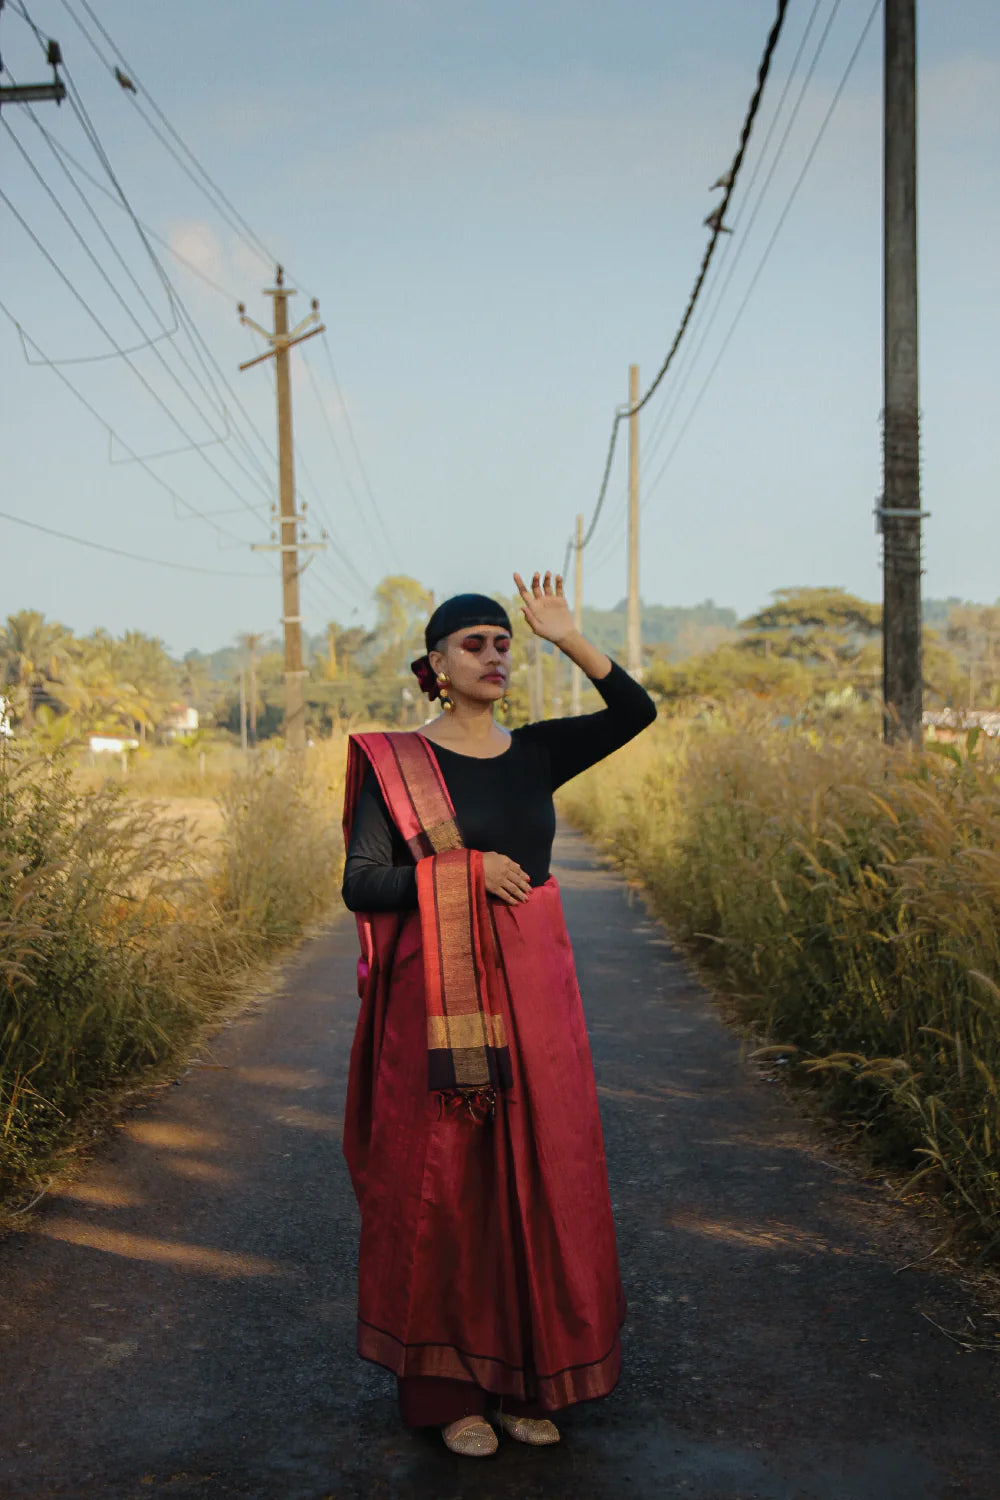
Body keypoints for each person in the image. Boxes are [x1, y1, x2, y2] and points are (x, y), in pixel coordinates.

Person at [341, 570, 656, 1458]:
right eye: (473, 643)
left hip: (536, 990)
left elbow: (635, 713)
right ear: (434, 664)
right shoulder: (396, 763)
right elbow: (361, 881)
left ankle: (526, 1378)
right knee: (447, 1185)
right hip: (439, 1001)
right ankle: (450, 1394)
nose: (494, 654)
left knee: (541, 1176)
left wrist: (567, 636)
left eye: (503, 642)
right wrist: (466, 871)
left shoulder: (537, 752)